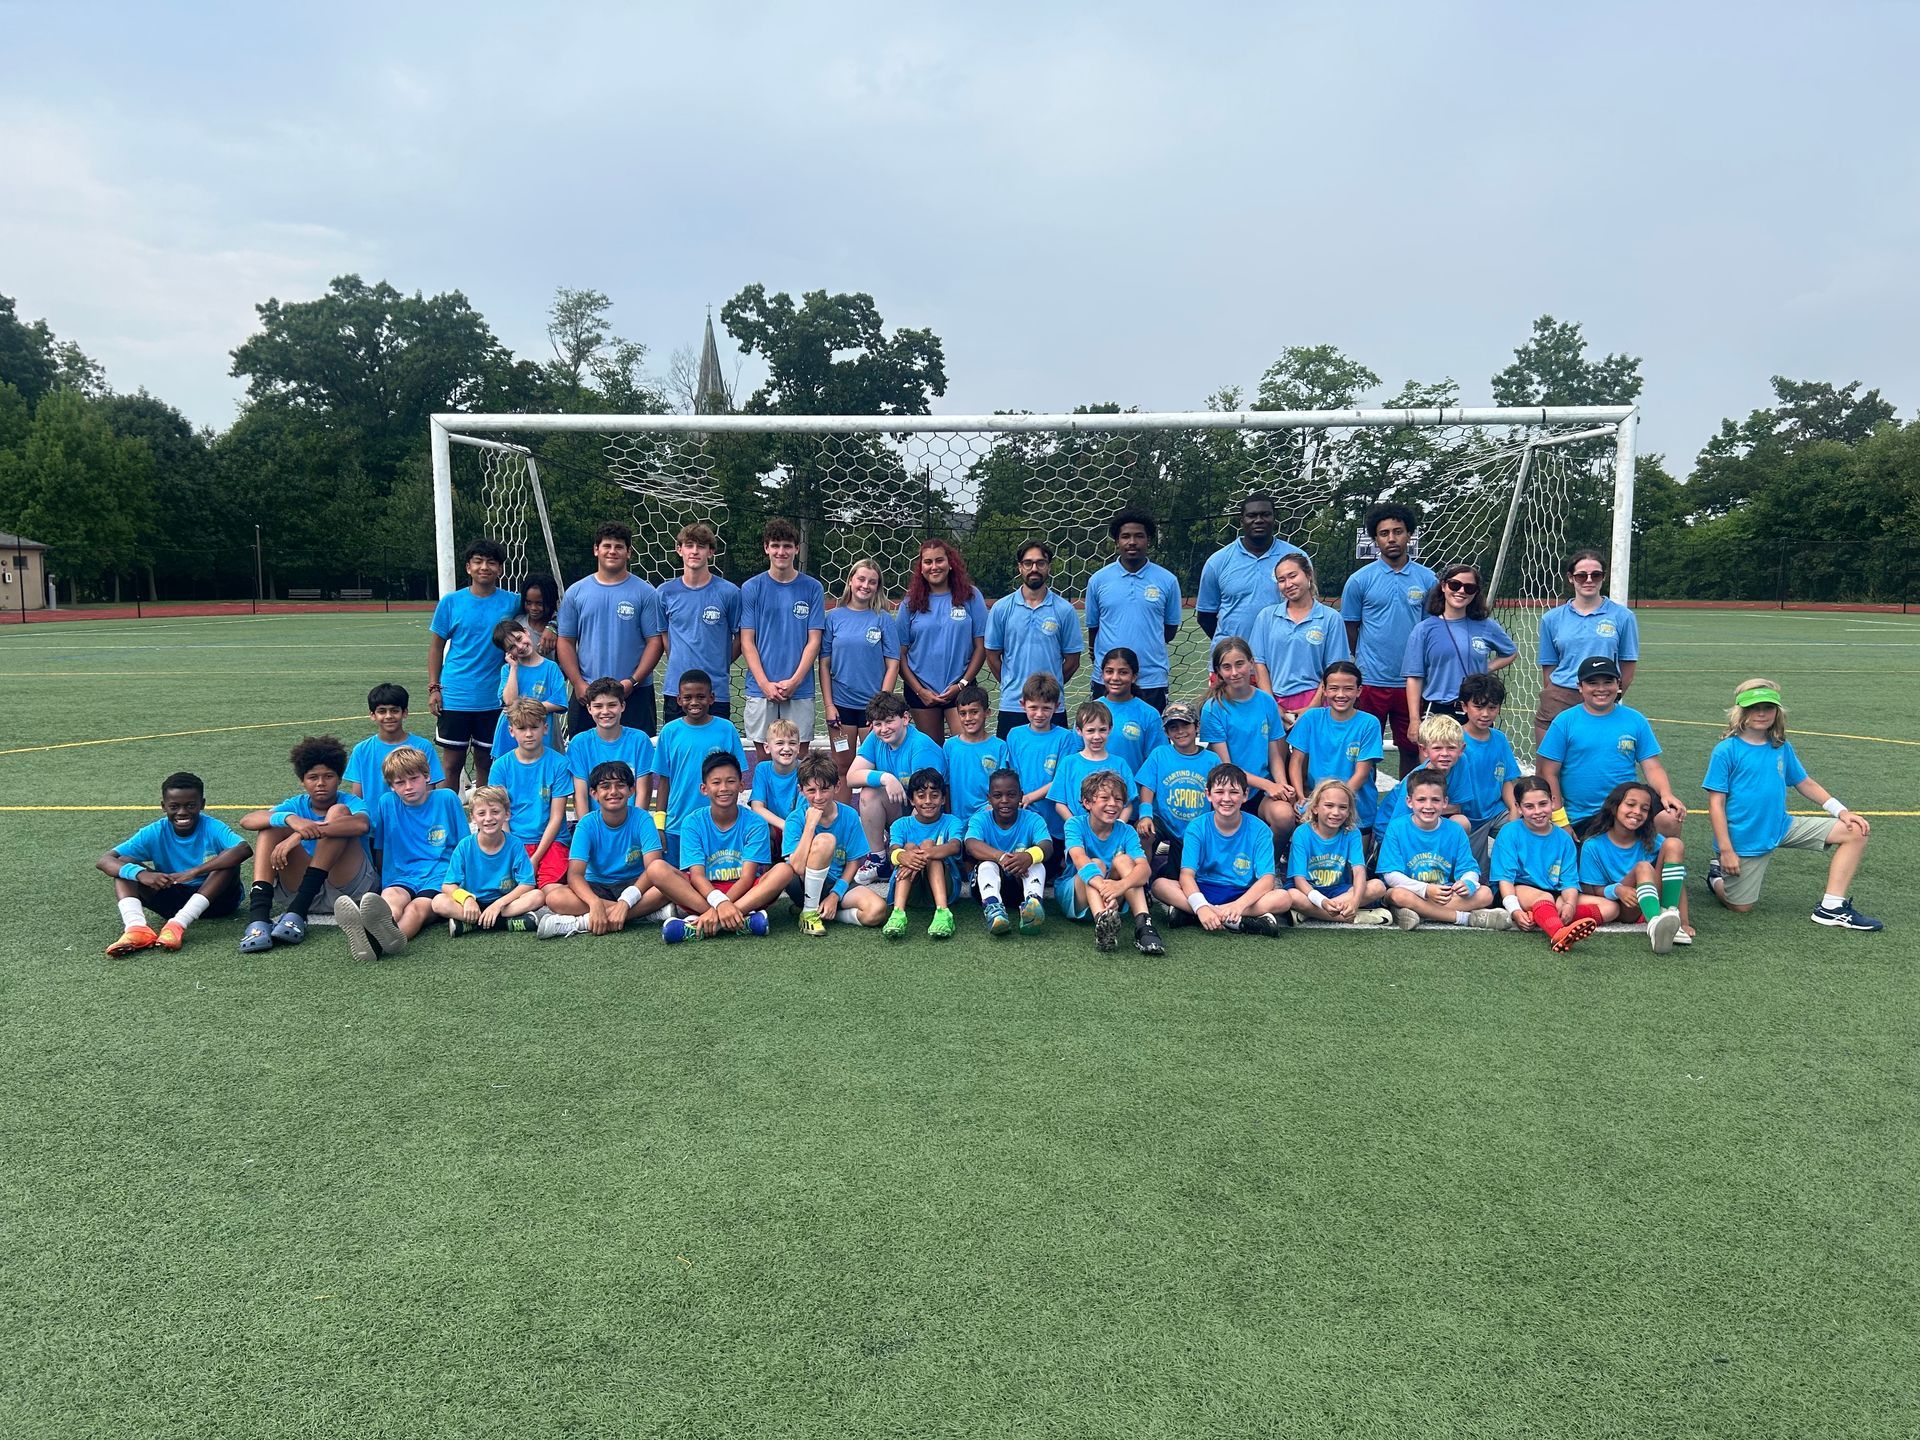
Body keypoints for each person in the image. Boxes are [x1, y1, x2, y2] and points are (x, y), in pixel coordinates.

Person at [1703, 679, 1881, 930]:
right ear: (1741, 712)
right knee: (1740, 907)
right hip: (1745, 840)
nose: (1762, 713)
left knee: (1855, 832)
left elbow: (1804, 782)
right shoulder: (1726, 751)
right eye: (1754, 707)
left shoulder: (1780, 747)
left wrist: (1841, 811)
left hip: (1782, 825)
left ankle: (1831, 908)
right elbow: (1716, 804)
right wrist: (1726, 850)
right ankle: (1716, 879)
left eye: (1768, 707)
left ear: (1777, 712)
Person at [238, 735, 374, 951]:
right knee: (270, 826)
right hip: (301, 888)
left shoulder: (350, 801)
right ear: (302, 781)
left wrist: (300, 834)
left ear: (339, 779)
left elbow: (361, 826)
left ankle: (297, 912)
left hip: (348, 888)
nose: (321, 783)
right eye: (313, 777)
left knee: (338, 814)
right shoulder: (295, 804)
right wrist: (290, 820)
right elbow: (247, 821)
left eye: (328, 776)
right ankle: (258, 919)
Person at [339, 746, 469, 962]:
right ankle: (373, 934)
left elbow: (465, 845)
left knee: (417, 908)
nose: (408, 787)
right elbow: (380, 846)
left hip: (441, 877)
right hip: (401, 875)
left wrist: (460, 884)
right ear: (391, 786)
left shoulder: (446, 798)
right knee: (390, 900)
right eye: (400, 782)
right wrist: (383, 879)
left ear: (426, 776)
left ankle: (375, 943)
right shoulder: (387, 803)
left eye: (414, 779)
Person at [99, 771, 249, 956]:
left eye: (190, 805)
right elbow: (105, 860)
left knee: (228, 860)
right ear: (164, 806)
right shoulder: (155, 831)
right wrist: (141, 874)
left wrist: (195, 871)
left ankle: (178, 924)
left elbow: (243, 849)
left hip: (218, 902)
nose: (182, 812)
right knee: (124, 864)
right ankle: (136, 928)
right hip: (173, 897)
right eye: (174, 806)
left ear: (202, 804)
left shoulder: (212, 826)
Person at [1536, 656, 1685, 840]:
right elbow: (1548, 773)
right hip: (1585, 816)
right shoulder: (1564, 722)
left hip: (1630, 806)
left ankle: (1661, 867)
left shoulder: (1635, 719)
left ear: (1618, 685)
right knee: (1594, 859)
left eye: (1608, 682)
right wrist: (1560, 819)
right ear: (1580, 687)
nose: (1601, 689)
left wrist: (1666, 793)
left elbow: (1652, 765)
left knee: (1670, 818)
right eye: (1592, 683)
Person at [1340, 503, 1437, 774]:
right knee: (1365, 751)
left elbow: (1430, 630)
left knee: (1411, 748)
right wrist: (1358, 665)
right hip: (1371, 680)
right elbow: (1351, 627)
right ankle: (1363, 808)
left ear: (1409, 535)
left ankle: (1407, 808)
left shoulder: (1427, 579)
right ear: (1375, 539)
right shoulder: (1359, 580)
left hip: (1411, 681)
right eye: (1384, 533)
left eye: (1398, 531)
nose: (1391, 538)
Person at [1151, 762, 1294, 935]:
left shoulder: (1260, 830)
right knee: (1160, 885)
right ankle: (1228, 918)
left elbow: (1266, 879)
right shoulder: (1197, 827)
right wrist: (1201, 905)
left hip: (1241, 894)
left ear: (1245, 795)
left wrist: (1238, 905)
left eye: (1234, 792)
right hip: (1203, 888)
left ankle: (1197, 914)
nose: (1226, 798)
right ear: (1208, 795)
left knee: (1284, 898)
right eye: (1219, 792)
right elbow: (1187, 875)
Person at [557, 521, 665, 740]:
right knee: (586, 759)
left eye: (619, 546)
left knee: (637, 758)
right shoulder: (576, 592)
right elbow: (565, 641)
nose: (612, 551)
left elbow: (655, 642)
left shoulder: (646, 593)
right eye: (607, 546)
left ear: (629, 552)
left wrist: (632, 681)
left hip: (634, 691)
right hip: (588, 692)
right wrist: (578, 683)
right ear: (596, 549)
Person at [428, 538, 521, 787]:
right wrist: (434, 687)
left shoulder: (512, 602)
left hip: (493, 696)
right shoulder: (451, 602)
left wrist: (553, 628)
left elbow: (542, 610)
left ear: (500, 569)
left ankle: (483, 821)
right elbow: (436, 647)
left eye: (491, 562)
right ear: (468, 567)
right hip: (456, 694)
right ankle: (450, 820)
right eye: (478, 562)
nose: (484, 567)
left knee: (487, 763)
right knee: (451, 765)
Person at [537, 761, 668, 938]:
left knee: (666, 887)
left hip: (635, 885)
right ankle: (643, 915)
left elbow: (653, 867)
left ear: (631, 790)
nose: (613, 792)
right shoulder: (587, 824)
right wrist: (594, 902)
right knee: (555, 897)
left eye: (620, 785)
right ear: (594, 793)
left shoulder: (643, 818)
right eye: (605, 787)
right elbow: (575, 875)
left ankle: (583, 922)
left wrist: (625, 902)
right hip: (597, 886)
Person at [657, 752, 775, 944]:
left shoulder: (755, 823)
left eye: (730, 781)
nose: (724, 788)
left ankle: (704, 924)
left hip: (744, 893)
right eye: (716, 782)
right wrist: (719, 903)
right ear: (704, 788)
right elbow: (697, 876)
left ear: (741, 786)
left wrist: (720, 907)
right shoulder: (692, 822)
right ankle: (742, 921)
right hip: (704, 894)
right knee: (657, 869)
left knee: (783, 871)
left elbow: (747, 878)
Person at [772, 753, 889, 935]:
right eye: (811, 790)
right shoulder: (795, 819)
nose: (818, 797)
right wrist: (810, 826)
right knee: (826, 840)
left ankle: (823, 913)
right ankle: (809, 912)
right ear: (801, 790)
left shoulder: (849, 815)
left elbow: (853, 863)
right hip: (801, 885)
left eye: (825, 789)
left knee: (877, 911)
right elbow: (796, 867)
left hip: (836, 883)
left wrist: (835, 895)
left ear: (837, 786)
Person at [739, 518, 826, 760]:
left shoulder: (812, 588)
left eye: (787, 546)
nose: (781, 552)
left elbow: (814, 640)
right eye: (775, 545)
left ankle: (798, 800)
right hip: (760, 688)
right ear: (766, 547)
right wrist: (765, 684)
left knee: (799, 760)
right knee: (766, 760)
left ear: (797, 548)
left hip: (799, 689)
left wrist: (795, 681)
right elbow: (747, 641)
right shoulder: (751, 588)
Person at [1534, 548, 1640, 744]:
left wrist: (1609, 696)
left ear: (1603, 578)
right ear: (1571, 578)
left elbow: (1628, 666)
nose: (1589, 580)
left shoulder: (1623, 617)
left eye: (1596, 575)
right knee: (1550, 767)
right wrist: (1554, 695)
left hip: (1601, 695)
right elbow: (1549, 667)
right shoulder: (1552, 618)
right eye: (1581, 575)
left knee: (1594, 761)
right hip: (1560, 696)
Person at [1377, 773, 1507, 930]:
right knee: (1397, 895)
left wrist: (1468, 882)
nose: (1428, 806)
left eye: (1435, 800)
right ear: (1409, 802)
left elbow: (1469, 868)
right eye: (1421, 800)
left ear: (1445, 802)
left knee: (1485, 893)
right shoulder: (1397, 828)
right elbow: (1390, 875)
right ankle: (1465, 918)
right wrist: (1425, 889)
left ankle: (1417, 911)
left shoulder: (1455, 830)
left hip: (1443, 893)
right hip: (1411, 890)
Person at [1084, 507, 1183, 710]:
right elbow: (1094, 629)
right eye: (1125, 536)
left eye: (1139, 536)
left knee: (1152, 737)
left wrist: (1145, 642)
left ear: (1148, 540)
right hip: (1109, 680)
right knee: (1102, 737)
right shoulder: (1098, 580)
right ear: (1116, 542)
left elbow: (1169, 630)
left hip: (1152, 679)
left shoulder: (1167, 580)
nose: (1132, 542)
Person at [1059, 770, 1166, 955]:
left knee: (1124, 860)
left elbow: (1144, 869)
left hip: (1114, 896)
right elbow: (1079, 859)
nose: (1112, 804)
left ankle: (1144, 925)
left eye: (1118, 799)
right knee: (1096, 863)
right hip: (1078, 896)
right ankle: (1103, 921)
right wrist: (1106, 890)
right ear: (1087, 803)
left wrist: (1120, 886)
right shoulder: (1074, 824)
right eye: (1104, 798)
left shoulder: (1126, 831)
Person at [984, 539, 1083, 738]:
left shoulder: (1064, 610)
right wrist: (1011, 683)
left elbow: (1072, 661)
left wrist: (1049, 688)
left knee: (1053, 765)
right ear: (1020, 567)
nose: (1034, 568)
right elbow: (993, 656)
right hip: (1013, 704)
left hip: (1051, 707)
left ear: (1049, 567)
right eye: (1028, 563)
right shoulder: (1002, 608)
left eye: (1040, 563)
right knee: (1011, 768)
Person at [1491, 776, 1602, 953]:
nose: (1538, 811)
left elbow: (1569, 881)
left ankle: (1544, 915)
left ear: (1553, 802)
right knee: (1544, 898)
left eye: (1543, 804)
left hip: (1553, 892)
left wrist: (1570, 905)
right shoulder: (1509, 832)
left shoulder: (1564, 838)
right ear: (1518, 808)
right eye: (1529, 806)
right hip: (1517, 890)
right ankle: (1558, 933)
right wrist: (1514, 910)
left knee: (1610, 908)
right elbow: (1505, 880)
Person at [1200, 636, 1293, 845]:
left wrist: (1282, 786)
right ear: (1218, 672)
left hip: (1260, 791)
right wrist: (1269, 785)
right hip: (1229, 790)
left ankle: (1271, 867)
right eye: (1227, 667)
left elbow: (1275, 755)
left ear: (1251, 663)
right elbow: (1226, 766)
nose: (1234, 672)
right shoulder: (1214, 708)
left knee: (1285, 816)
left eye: (1240, 664)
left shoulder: (1266, 701)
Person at [1576, 781, 1688, 953]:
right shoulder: (1593, 846)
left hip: (1650, 898)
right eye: (1630, 804)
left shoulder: (1651, 839)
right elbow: (1590, 890)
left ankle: (1671, 914)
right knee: (1643, 867)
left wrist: (1685, 923)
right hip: (1623, 906)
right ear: (1614, 808)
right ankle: (1655, 925)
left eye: (1644, 809)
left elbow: (1677, 880)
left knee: (1674, 844)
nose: (1637, 812)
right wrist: (1618, 890)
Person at [651, 670, 748, 867]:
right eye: (687, 697)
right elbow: (664, 782)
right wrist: (659, 825)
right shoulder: (670, 732)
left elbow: (736, 779)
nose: (694, 702)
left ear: (712, 698)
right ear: (678, 700)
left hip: (716, 826)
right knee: (677, 883)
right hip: (676, 825)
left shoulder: (726, 729)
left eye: (701, 697)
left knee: (713, 877)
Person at [896, 537, 988, 743]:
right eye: (928, 562)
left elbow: (981, 647)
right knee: (932, 754)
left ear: (950, 563)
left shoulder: (971, 596)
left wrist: (962, 684)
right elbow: (899, 654)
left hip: (960, 689)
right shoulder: (910, 602)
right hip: (922, 692)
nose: (934, 567)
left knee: (966, 749)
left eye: (939, 560)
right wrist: (920, 691)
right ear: (921, 568)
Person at [819, 557, 900, 786]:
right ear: (850, 581)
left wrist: (880, 706)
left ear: (878, 587)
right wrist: (829, 705)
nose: (865, 585)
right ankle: (844, 820)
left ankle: (876, 820)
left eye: (872, 582)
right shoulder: (833, 618)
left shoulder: (883, 620)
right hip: (841, 708)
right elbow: (824, 665)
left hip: (871, 711)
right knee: (842, 768)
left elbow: (893, 664)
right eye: (861, 579)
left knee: (874, 768)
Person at [1403, 564, 1516, 723]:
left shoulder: (1486, 625)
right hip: (1437, 709)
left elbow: (1510, 652)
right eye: (1455, 585)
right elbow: (1414, 677)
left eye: (1469, 588)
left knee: (1474, 748)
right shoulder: (1423, 630)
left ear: (1475, 592)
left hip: (1474, 708)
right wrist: (1414, 720)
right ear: (1443, 586)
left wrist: (1485, 668)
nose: (1461, 591)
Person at [1285, 661, 1384, 843]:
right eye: (1333, 688)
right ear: (1324, 689)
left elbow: (1361, 774)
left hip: (1357, 809)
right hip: (1317, 807)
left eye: (1348, 689)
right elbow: (1296, 762)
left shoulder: (1369, 723)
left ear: (1359, 690)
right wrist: (1301, 798)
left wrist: (1338, 805)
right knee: (1314, 864)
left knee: (1353, 868)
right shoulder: (1311, 718)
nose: (1340, 694)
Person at [657, 522, 742, 723]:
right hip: (677, 689)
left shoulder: (729, 593)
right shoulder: (664, 592)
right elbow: (664, 635)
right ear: (679, 550)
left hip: (715, 691)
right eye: (689, 545)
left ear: (710, 552)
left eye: (701, 546)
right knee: (677, 750)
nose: (695, 551)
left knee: (716, 752)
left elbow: (740, 637)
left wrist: (720, 661)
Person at [1249, 551, 1348, 723]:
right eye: (1281, 580)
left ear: (1308, 574)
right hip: (1275, 701)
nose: (1288, 584)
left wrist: (1312, 708)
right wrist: (1271, 704)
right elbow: (1259, 663)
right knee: (1275, 751)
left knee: (1309, 751)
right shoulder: (1266, 617)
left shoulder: (1331, 618)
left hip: (1316, 702)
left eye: (1293, 576)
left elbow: (1334, 669)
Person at [435, 784, 543, 937]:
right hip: (473, 904)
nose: (488, 818)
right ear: (472, 817)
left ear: (507, 814)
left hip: (505, 903)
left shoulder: (515, 844)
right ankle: (506, 923)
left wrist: (499, 904)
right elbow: (447, 885)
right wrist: (466, 899)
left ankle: (472, 924)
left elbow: (527, 884)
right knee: (439, 902)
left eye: (495, 812)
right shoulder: (465, 846)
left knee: (537, 896)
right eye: (481, 813)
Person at [1197, 492, 1305, 642]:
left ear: (1274, 519)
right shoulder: (1217, 561)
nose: (1259, 520)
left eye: (1265, 514)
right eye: (1252, 515)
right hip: (1234, 661)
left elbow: (1307, 606)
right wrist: (1231, 646)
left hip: (1281, 656)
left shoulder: (1297, 558)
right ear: (1242, 521)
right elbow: (1205, 616)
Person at [492, 697, 573, 892]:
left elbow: (556, 817)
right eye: (522, 728)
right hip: (514, 842)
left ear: (545, 728)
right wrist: (513, 851)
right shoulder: (500, 766)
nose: (529, 734)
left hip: (552, 842)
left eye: (534, 727)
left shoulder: (559, 764)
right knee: (504, 889)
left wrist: (535, 858)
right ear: (511, 731)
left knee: (550, 891)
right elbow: (499, 815)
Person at [850, 691, 946, 850]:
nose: (884, 729)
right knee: (869, 793)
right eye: (878, 724)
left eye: (889, 721)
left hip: (929, 811)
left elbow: (928, 800)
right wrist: (886, 778)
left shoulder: (921, 747)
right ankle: (877, 858)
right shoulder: (875, 739)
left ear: (906, 719)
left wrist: (901, 836)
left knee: (913, 852)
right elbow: (851, 777)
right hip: (904, 806)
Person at [1286, 779, 1390, 925]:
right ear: (1315, 808)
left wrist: (1355, 901)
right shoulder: (1302, 833)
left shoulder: (1352, 833)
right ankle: (1356, 917)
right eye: (1329, 805)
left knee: (1378, 887)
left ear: (1349, 811)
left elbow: (1359, 871)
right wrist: (1321, 902)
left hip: (1339, 890)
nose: (1336, 812)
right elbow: (1299, 880)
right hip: (1308, 891)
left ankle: (1309, 913)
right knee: (1292, 896)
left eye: (1343, 807)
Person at [964, 768, 1053, 936]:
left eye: (1011, 795)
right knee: (987, 864)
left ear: (1021, 796)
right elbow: (971, 844)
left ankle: (1032, 904)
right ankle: (994, 911)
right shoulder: (980, 819)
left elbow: (1047, 845)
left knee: (1036, 861)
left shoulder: (1033, 819)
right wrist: (1001, 857)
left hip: (1021, 887)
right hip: (987, 889)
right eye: (997, 796)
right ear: (989, 798)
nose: (1004, 800)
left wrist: (1028, 856)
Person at [881, 767, 963, 941]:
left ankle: (943, 912)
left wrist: (924, 854)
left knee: (927, 847)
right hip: (910, 889)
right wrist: (904, 855)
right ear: (911, 799)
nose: (928, 801)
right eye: (921, 795)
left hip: (945, 890)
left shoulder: (952, 821)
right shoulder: (900, 824)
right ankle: (898, 913)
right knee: (908, 847)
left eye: (934, 796)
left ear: (943, 799)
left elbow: (955, 846)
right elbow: (893, 851)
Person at [1134, 700, 1211, 884]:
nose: (1180, 731)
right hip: (1164, 820)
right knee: (1143, 834)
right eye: (1173, 727)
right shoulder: (1160, 754)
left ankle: (1164, 869)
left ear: (1197, 726)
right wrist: (1145, 815)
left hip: (1195, 826)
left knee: (1179, 876)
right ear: (1166, 732)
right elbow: (1147, 786)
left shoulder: (1211, 759)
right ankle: (1141, 882)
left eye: (1185, 725)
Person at [1452, 672, 1521, 865]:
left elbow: (1507, 779)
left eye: (1492, 708)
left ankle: (1528, 882)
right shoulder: (1454, 740)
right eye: (1479, 707)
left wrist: (1514, 810)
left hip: (1496, 812)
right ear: (1464, 706)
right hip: (1468, 817)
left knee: (1533, 826)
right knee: (1476, 873)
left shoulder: (1499, 738)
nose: (1485, 714)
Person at [567, 677, 656, 819]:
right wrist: (587, 831)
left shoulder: (640, 740)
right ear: (589, 708)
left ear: (623, 706)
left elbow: (643, 792)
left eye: (612, 705)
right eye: (598, 706)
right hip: (594, 826)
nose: (605, 711)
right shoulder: (579, 743)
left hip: (631, 826)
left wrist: (636, 829)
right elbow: (580, 796)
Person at [1005, 672, 1076, 846]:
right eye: (1033, 707)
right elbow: (1011, 774)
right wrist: (1020, 798)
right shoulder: (1015, 735)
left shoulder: (1065, 738)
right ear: (1023, 705)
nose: (1039, 714)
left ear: (1057, 706)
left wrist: (1031, 797)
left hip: (1054, 819)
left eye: (1046, 708)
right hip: (1023, 814)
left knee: (1050, 861)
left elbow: (1062, 779)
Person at [1051, 701, 1140, 840]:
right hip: (1079, 837)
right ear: (1079, 731)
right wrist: (1076, 828)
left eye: (1102, 730)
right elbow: (1059, 803)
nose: (1097, 736)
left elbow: (1128, 805)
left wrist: (1118, 827)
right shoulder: (1069, 763)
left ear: (1110, 729)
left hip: (1112, 836)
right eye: (1090, 730)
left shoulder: (1120, 764)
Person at [1373, 713, 1471, 836]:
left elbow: (1458, 807)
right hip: (1390, 830)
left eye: (1451, 748)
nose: (1445, 753)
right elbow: (1399, 823)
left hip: (1427, 818)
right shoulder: (1415, 780)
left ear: (1461, 750)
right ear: (1424, 750)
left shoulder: (1462, 762)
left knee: (1461, 822)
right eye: (1437, 748)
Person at [343, 684, 443, 804]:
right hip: (374, 821)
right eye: (382, 711)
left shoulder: (423, 747)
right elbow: (357, 797)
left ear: (405, 712)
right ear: (373, 715)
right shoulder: (361, 750)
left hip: (412, 819)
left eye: (394, 710)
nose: (389, 716)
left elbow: (428, 790)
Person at [489, 616, 568, 757]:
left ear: (526, 632)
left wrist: (527, 709)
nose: (520, 647)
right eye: (512, 647)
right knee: (511, 776)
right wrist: (514, 668)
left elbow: (559, 703)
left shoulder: (550, 667)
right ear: (507, 652)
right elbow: (510, 702)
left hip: (541, 734)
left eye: (519, 639)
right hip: (511, 736)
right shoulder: (507, 670)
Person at [941, 683, 1008, 823]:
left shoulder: (999, 746)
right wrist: (947, 816)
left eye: (974, 712)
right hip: (957, 817)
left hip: (987, 815)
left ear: (987, 712)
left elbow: (1002, 786)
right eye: (963, 713)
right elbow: (945, 785)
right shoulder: (950, 746)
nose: (968, 718)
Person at [1093, 648, 1166, 774]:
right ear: (1102, 675)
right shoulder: (1090, 711)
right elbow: (1077, 753)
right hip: (1092, 791)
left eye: (1123, 672)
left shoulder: (1149, 715)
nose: (1115, 678)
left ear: (1134, 677)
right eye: (1109, 671)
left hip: (1132, 791)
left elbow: (1157, 760)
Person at [746, 718, 803, 857]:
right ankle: (765, 872)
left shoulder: (805, 769)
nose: (787, 748)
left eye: (792, 743)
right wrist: (785, 826)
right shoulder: (762, 769)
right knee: (757, 829)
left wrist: (791, 829)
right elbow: (757, 807)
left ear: (799, 747)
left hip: (800, 828)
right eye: (780, 743)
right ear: (767, 747)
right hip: (774, 828)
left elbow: (804, 811)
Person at [516, 573, 563, 659]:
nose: (533, 608)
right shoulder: (518, 624)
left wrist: (553, 627)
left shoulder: (563, 625)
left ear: (551, 602)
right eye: (529, 602)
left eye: (539, 603)